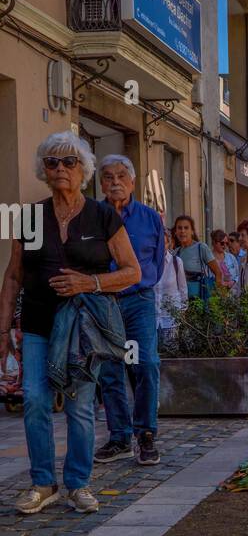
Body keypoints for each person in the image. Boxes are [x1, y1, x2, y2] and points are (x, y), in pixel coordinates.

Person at [0, 132, 141, 515]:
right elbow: (13, 276)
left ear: (84, 170)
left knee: (79, 406)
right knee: (34, 401)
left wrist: (89, 282)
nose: (60, 168)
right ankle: (43, 483)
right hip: (38, 323)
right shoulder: (28, 216)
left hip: (83, 328)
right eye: (52, 162)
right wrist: (2, 331)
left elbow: (132, 271)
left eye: (69, 162)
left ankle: (78, 484)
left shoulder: (103, 215)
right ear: (43, 170)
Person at [95, 154, 165, 467]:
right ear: (100, 183)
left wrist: (139, 287)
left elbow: (158, 261)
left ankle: (146, 433)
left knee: (145, 363)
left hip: (139, 301)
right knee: (111, 369)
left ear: (133, 182)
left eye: (122, 176)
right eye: (108, 177)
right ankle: (119, 437)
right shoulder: (93, 216)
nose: (115, 182)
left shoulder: (150, 218)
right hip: (105, 302)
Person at [173, 216, 223, 301]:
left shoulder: (201, 248)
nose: (182, 231)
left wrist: (215, 298)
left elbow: (218, 273)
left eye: (186, 228)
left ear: (192, 231)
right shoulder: (176, 253)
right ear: (176, 232)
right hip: (181, 301)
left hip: (200, 301)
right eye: (179, 228)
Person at [155, 228, 187, 345]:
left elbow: (183, 290)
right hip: (152, 320)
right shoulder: (149, 263)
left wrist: (181, 313)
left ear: (169, 243)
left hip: (171, 320)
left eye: (163, 243)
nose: (160, 246)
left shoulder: (176, 262)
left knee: (171, 355)